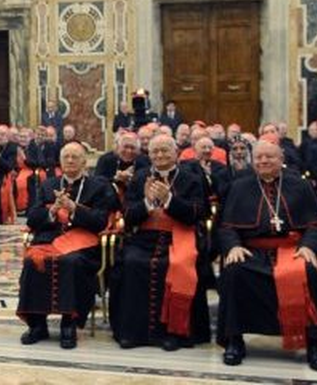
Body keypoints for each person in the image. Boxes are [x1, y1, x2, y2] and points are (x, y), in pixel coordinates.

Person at [216, 137, 317, 371]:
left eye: (269, 156)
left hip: (292, 250)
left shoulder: (300, 185)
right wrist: (233, 247)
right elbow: (226, 226)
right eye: (258, 157)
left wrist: (308, 246)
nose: (263, 161)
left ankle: (315, 344)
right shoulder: (240, 186)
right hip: (253, 251)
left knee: (309, 272)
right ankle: (234, 340)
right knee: (234, 271)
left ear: (281, 159)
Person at [110, 134, 211, 351]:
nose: (160, 155)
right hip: (144, 238)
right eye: (155, 151)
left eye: (165, 150)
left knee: (176, 265)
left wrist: (169, 200)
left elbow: (198, 213)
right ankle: (132, 333)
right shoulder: (140, 178)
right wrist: (146, 202)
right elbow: (127, 215)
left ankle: (174, 333)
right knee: (132, 262)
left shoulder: (190, 178)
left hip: (179, 236)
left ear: (176, 153)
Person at [17, 142, 115, 349]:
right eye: (66, 157)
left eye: (75, 157)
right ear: (60, 161)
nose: (70, 160)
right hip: (49, 239)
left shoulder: (98, 186)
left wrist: (73, 209)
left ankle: (68, 323)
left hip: (83, 242)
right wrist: (52, 211)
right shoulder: (47, 184)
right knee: (32, 261)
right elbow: (32, 218)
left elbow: (100, 221)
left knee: (72, 263)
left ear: (84, 161)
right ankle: (37, 324)